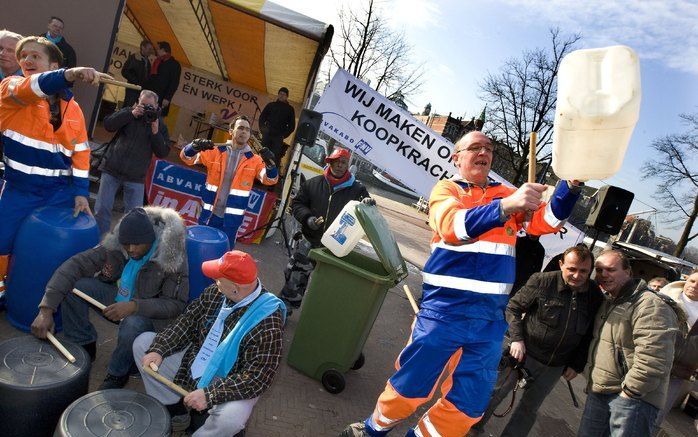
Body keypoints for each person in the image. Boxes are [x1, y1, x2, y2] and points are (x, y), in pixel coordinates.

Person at [341, 131, 582, 437]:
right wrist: (506, 207)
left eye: (489, 149)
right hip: (444, 311)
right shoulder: (447, 190)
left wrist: (571, 186)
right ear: (457, 158)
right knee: (410, 385)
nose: (484, 152)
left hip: (489, 320)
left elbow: (545, 221)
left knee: (471, 404)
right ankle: (373, 429)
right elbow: (451, 226)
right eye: (475, 147)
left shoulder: (506, 193)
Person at [31, 207, 189, 390]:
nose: (131, 249)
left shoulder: (172, 256)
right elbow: (73, 266)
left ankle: (117, 374)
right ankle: (84, 345)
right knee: (74, 286)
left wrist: (134, 306)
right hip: (119, 300)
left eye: (137, 244)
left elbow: (176, 304)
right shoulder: (117, 245)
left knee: (132, 324)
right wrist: (46, 309)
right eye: (127, 244)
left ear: (151, 238)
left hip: (150, 317)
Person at [134, 250, 285, 435]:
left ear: (235, 288)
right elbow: (188, 321)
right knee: (143, 345)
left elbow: (258, 377)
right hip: (198, 360)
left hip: (230, 381)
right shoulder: (217, 292)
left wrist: (211, 394)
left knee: (230, 419)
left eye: (219, 279)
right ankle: (175, 409)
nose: (215, 282)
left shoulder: (268, 321)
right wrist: (159, 348)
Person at [0, 36, 97, 298]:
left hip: (59, 193)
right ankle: (3, 292)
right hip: (19, 190)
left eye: (35, 56)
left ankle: (41, 296)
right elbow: (34, 87)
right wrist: (71, 73)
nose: (27, 60)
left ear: (53, 64)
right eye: (24, 56)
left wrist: (80, 192)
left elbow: (80, 152)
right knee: (2, 242)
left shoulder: (73, 108)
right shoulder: (12, 87)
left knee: (51, 247)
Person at [470, 245, 603, 437]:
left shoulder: (594, 295)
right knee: (495, 394)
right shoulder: (543, 281)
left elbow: (589, 333)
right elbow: (512, 308)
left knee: (529, 409)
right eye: (571, 269)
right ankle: (472, 429)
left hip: (555, 366)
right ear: (561, 264)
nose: (577, 275)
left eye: (583, 271)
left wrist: (577, 363)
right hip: (524, 354)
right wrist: (517, 339)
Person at [578, 250, 679, 437]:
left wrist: (630, 392)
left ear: (628, 271)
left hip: (633, 400)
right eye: (599, 270)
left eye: (611, 269)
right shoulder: (610, 301)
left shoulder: (649, 305)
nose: (603, 275)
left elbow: (654, 357)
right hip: (603, 392)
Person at [281, 147, 372, 308]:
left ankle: (317, 316)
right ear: (329, 162)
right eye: (336, 161)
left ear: (348, 165)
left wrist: (368, 204)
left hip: (336, 247)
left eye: (343, 162)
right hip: (310, 240)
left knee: (326, 286)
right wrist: (308, 218)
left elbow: (367, 208)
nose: (339, 165)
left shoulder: (358, 190)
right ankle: (285, 308)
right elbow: (297, 204)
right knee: (295, 276)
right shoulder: (313, 183)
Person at [180, 115, 278, 246]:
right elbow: (186, 157)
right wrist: (194, 146)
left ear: (249, 135)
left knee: (224, 258)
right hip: (209, 215)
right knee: (201, 250)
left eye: (247, 130)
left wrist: (271, 165)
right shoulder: (215, 151)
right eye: (240, 128)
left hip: (231, 221)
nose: (244, 131)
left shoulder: (255, 160)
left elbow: (270, 180)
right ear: (231, 131)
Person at [94, 89, 170, 235]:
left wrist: (155, 133)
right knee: (102, 209)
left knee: (134, 218)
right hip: (112, 168)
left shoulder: (159, 124)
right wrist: (130, 114)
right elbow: (108, 125)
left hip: (136, 176)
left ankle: (122, 247)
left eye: (150, 107)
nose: (146, 109)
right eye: (143, 105)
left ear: (157, 107)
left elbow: (163, 152)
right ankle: (99, 243)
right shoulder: (129, 112)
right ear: (137, 103)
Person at [654, 269, 698, 434]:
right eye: (692, 281)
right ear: (686, 279)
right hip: (652, 363)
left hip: (679, 374)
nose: (694, 286)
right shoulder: (666, 298)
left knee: (656, 418)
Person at [259, 86, 295, 166]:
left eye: (284, 94)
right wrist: (263, 130)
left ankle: (270, 175)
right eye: (280, 93)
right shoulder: (271, 105)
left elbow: (292, 126)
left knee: (274, 157)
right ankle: (258, 170)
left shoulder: (290, 109)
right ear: (278, 95)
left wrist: (283, 135)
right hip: (267, 135)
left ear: (287, 97)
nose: (282, 95)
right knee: (262, 154)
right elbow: (262, 117)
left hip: (278, 138)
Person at [144, 41, 180, 116]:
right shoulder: (158, 61)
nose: (156, 51)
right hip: (150, 95)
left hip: (162, 98)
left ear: (163, 50)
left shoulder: (175, 65)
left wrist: (167, 98)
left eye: (158, 49)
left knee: (156, 120)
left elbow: (174, 83)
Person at [121, 40, 154, 108]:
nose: (151, 51)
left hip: (141, 90)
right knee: (126, 108)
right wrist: (136, 82)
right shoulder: (134, 57)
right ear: (142, 47)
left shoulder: (147, 61)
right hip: (132, 89)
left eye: (151, 49)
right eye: (149, 49)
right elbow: (124, 71)